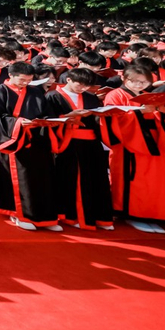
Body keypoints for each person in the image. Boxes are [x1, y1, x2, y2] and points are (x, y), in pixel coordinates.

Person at [103, 65, 165, 233]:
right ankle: (131, 215)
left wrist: (161, 111)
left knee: (156, 180)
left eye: (144, 82)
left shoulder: (146, 95)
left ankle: (152, 214)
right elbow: (112, 118)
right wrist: (138, 112)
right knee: (134, 180)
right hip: (129, 143)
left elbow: (163, 118)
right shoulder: (114, 95)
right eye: (134, 81)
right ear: (124, 79)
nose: (139, 85)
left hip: (154, 141)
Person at [0, 62, 60, 231]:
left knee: (42, 178)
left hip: (38, 138)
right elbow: (1, 117)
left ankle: (45, 217)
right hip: (15, 140)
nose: (25, 83)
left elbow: (46, 112)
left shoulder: (35, 90)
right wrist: (20, 123)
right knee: (21, 180)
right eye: (22, 80)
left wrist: (48, 120)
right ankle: (19, 213)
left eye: (28, 80)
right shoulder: (0, 91)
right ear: (11, 75)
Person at [45, 66, 114, 230]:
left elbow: (96, 120)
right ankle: (70, 215)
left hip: (91, 143)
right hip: (67, 142)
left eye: (87, 86)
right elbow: (47, 120)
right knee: (70, 180)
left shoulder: (90, 97)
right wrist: (68, 117)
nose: (83, 88)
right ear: (68, 79)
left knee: (96, 179)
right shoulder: (52, 96)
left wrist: (104, 116)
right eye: (80, 85)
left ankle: (98, 216)